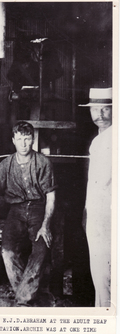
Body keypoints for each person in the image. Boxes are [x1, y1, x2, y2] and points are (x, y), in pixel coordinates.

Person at [0, 121, 56, 306]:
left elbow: (51, 196)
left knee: (40, 251)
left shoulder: (43, 163)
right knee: (7, 252)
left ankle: (22, 301)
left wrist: (45, 225)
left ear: (33, 140)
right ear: (13, 140)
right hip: (16, 211)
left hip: (39, 209)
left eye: (27, 139)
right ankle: (28, 296)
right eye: (19, 139)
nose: (23, 144)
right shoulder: (6, 164)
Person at [79, 87, 112, 307]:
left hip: (109, 215)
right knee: (100, 272)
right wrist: (87, 211)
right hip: (97, 213)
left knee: (107, 273)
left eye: (106, 109)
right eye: (95, 109)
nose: (99, 114)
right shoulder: (98, 139)